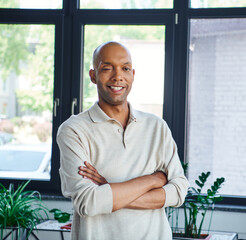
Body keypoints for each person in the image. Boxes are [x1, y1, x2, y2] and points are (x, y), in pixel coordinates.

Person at [57, 41, 189, 240]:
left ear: (132, 75)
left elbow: (178, 192)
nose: (117, 76)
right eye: (107, 68)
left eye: (125, 68)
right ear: (93, 76)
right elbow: (88, 202)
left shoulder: (156, 127)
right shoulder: (74, 130)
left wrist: (107, 188)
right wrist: (153, 179)